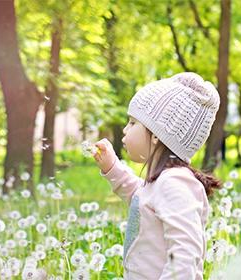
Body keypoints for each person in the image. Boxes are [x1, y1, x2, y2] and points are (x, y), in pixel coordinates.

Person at [93, 72, 222, 279]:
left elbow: (184, 255)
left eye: (133, 123)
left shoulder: (175, 184)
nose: (125, 130)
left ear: (155, 135)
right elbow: (140, 197)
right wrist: (112, 168)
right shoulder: (161, 183)